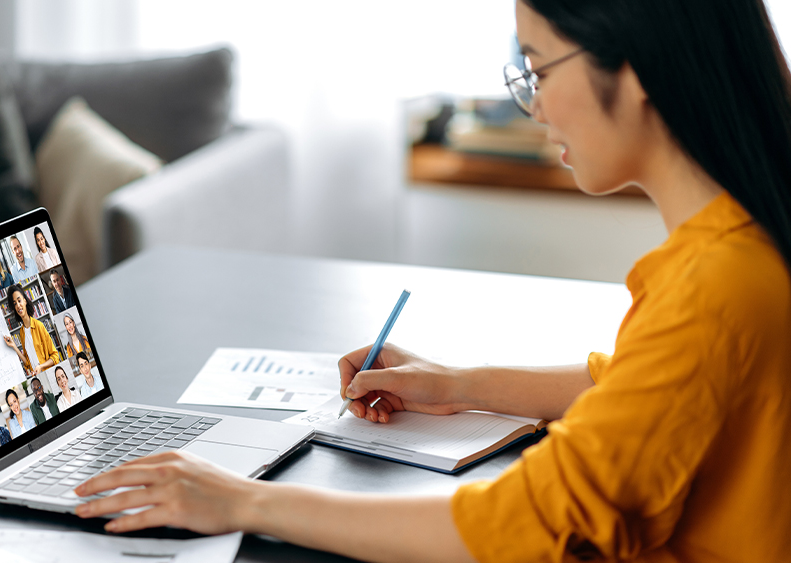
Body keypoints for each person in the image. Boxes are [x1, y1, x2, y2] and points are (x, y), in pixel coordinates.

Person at [71, 2, 791, 561]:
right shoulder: (743, 240)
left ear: (633, 69)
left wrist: (243, 502)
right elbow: (639, 386)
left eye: (537, 68)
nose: (532, 104)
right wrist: (455, 384)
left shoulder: (715, 286)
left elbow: (526, 523)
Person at [3, 284, 61, 376]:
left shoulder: (39, 326)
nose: (18, 305)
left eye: (19, 300)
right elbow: (28, 363)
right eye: (15, 303)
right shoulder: (22, 332)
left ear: (25, 301)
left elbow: (55, 356)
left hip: (50, 374)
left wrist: (40, 367)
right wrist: (14, 346)